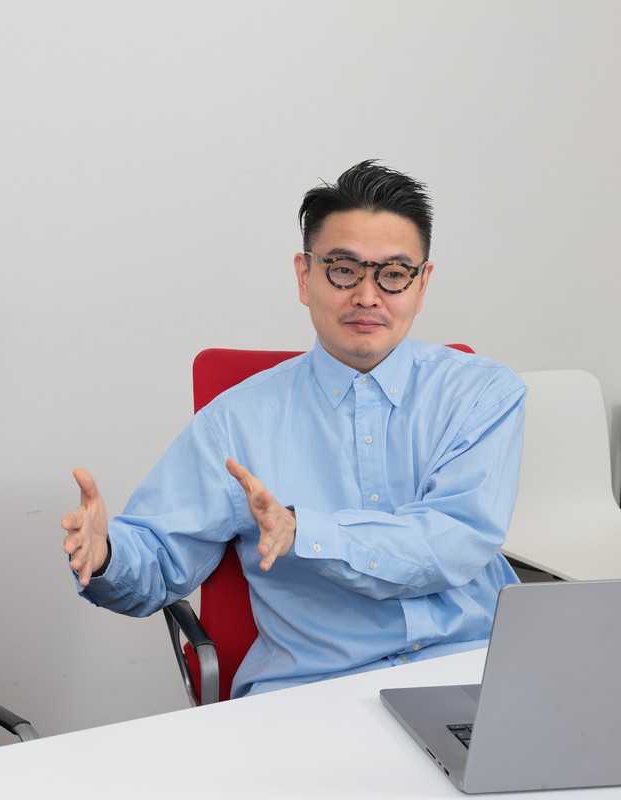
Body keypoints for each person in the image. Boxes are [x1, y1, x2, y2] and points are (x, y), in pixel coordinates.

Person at [61, 160, 525, 699]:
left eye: (395, 274)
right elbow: (158, 559)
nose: (368, 296)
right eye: (344, 269)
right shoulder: (235, 422)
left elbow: (453, 541)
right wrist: (107, 557)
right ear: (305, 277)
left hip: (474, 670)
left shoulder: (482, 394)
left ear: (421, 286)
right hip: (316, 689)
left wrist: (305, 532)